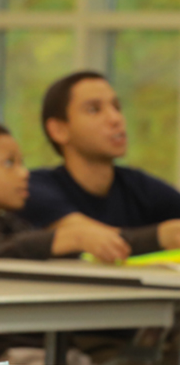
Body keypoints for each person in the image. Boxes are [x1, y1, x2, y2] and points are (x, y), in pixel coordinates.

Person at [0, 122, 133, 262]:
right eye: (9, 163)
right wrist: (71, 237)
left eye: (23, 163)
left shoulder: (17, 226)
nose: (24, 173)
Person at [19, 71, 180, 256]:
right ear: (58, 130)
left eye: (117, 107)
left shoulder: (141, 187)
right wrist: (161, 236)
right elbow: (91, 238)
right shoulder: (32, 188)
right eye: (94, 109)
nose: (115, 119)